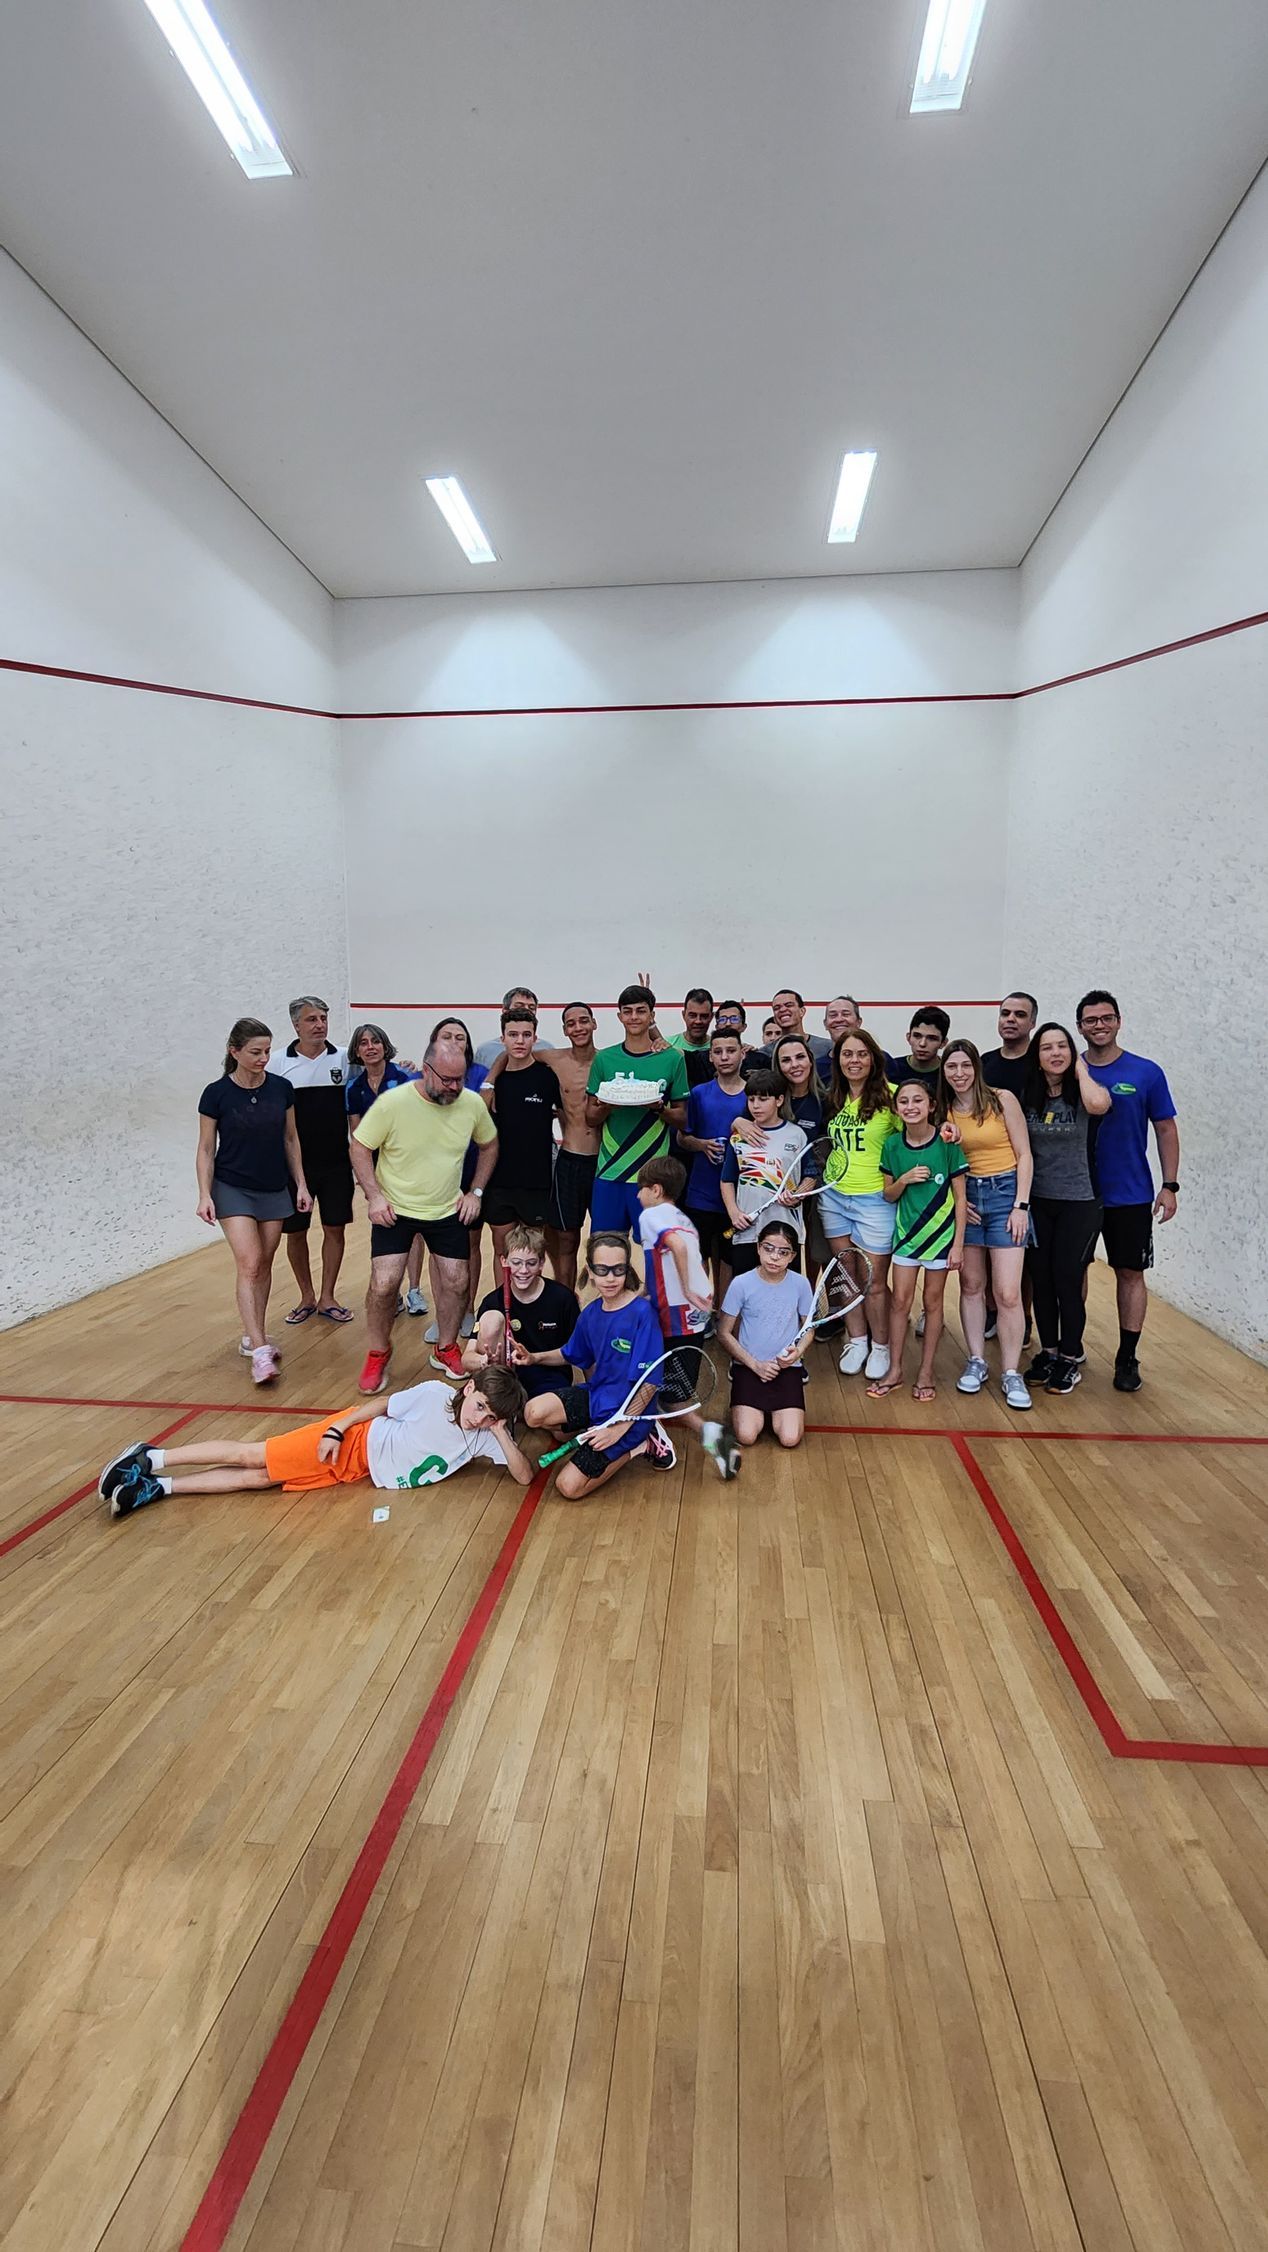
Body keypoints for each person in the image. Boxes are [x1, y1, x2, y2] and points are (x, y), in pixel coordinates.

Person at [99, 1365, 531, 1516]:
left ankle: (159, 1488)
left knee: (260, 1480)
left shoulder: (483, 1438)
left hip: (357, 1470)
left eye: (490, 1418)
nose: (480, 1421)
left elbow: (524, 1477)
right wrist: (334, 1429)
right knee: (253, 1458)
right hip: (351, 1441)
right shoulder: (435, 1395)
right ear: (470, 1387)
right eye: (481, 1409)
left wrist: (499, 1431)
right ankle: (151, 1457)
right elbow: (379, 1405)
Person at [350, 1029, 498, 1390]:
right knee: (384, 1284)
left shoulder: (472, 1104)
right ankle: (378, 1352)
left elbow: (490, 1145)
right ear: (426, 1070)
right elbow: (359, 1147)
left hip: (446, 1210)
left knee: (457, 1281)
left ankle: (446, 1347)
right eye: (446, 1079)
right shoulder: (393, 1103)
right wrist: (374, 1196)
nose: (453, 1087)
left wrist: (475, 1192)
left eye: (459, 1080)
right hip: (395, 1209)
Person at [1076, 991, 1180, 1393]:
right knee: (1073, 1273)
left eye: (1106, 1018)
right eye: (1090, 1020)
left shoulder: (1146, 1072)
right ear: (1080, 1026)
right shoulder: (1069, 1070)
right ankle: (1072, 1349)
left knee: (1130, 1273)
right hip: (1078, 1194)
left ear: (1119, 1021)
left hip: (1131, 1194)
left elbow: (1166, 1128)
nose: (1099, 1025)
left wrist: (1169, 1185)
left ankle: (1127, 1357)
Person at [197, 1018, 310, 1385]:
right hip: (232, 1187)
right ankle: (260, 1350)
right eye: (255, 1052)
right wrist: (204, 1194)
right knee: (248, 1263)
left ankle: (252, 1335)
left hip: (274, 1187)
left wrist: (302, 1186)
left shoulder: (282, 1088)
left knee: (263, 1263)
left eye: (266, 1051)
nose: (263, 1058)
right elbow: (205, 1148)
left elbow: (291, 1141)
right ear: (235, 1052)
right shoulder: (216, 1093)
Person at [522, 1234, 675, 1498]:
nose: (611, 1278)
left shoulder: (642, 1314)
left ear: (627, 1270)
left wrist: (619, 1428)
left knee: (568, 1487)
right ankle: (598, 1430)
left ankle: (640, 1445)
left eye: (618, 1269)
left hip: (632, 1414)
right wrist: (534, 1357)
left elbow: (650, 1382)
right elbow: (571, 1353)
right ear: (590, 1272)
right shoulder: (591, 1314)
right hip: (598, 1396)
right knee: (533, 1413)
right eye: (602, 1270)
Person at [939, 1040, 1034, 1410]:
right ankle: (976, 1360)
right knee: (972, 1285)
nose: (959, 1073)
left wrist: (1020, 1205)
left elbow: (1024, 1154)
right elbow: (943, 1163)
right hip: (968, 1199)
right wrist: (958, 1203)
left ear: (976, 1068)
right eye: (952, 1067)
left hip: (1007, 1193)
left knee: (1008, 1293)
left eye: (965, 1065)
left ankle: (1011, 1371)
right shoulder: (942, 1112)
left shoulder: (1001, 1099)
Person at [635, 1155, 740, 1478]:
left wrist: (683, 1288)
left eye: (640, 1189)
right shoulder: (683, 1218)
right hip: (691, 1319)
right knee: (662, 1390)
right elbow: (666, 1267)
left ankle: (710, 1434)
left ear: (655, 1190)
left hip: (673, 1320)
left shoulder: (652, 1215)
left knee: (663, 1395)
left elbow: (677, 1249)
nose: (637, 1196)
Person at [1021, 1024, 1111, 1395]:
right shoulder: (1029, 1095)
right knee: (1041, 1279)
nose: (1055, 1053)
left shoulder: (1084, 1094)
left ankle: (1071, 1357)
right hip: (1039, 1201)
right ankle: (1050, 1350)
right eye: (1047, 1048)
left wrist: (1081, 1070)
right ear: (1037, 1057)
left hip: (1081, 1201)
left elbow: (1099, 1105)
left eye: (1062, 1047)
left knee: (1067, 1279)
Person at [867, 1078, 968, 1402]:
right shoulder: (893, 1146)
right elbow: (888, 1194)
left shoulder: (948, 1143)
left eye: (918, 1101)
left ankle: (925, 1372)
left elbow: (961, 1198)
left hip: (941, 1240)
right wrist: (905, 1179)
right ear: (897, 1109)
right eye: (904, 1102)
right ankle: (895, 1369)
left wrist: (958, 1245)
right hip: (907, 1240)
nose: (910, 1107)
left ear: (932, 1106)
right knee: (899, 1303)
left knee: (933, 1303)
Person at [269, 996, 356, 1327]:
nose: (320, 1024)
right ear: (296, 1025)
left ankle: (328, 1296)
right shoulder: (278, 1062)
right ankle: (306, 1296)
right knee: (297, 1232)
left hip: (335, 1164)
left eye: (323, 1018)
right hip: (294, 1168)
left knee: (334, 1230)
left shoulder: (345, 1059)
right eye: (311, 1020)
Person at [819, 1030, 898, 1379]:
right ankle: (857, 1339)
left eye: (862, 1054)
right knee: (847, 1275)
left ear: (874, 1058)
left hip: (875, 1201)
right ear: (838, 1060)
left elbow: (919, 1136)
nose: (854, 1060)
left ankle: (881, 1346)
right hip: (833, 1197)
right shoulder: (833, 1098)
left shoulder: (893, 1098)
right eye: (847, 1054)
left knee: (874, 1281)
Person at [586, 984, 688, 1233]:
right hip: (610, 1173)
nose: (634, 1017)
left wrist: (659, 1108)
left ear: (652, 1016)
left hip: (654, 1177)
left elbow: (683, 1119)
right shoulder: (604, 1059)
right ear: (619, 1016)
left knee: (657, 1256)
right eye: (628, 1011)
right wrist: (608, 1105)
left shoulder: (672, 1058)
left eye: (641, 1011)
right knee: (605, 1250)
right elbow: (590, 1117)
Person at [346, 1024, 428, 1319]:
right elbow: (357, 1137)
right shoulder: (353, 1089)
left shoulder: (405, 1076)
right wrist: (365, 1177)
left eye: (376, 1041)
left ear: (385, 1046)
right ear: (357, 1051)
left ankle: (415, 1290)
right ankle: (389, 1292)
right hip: (378, 1172)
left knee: (414, 1228)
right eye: (364, 1043)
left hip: (409, 1167)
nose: (370, 1047)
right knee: (383, 1226)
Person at [718, 1220, 814, 1449]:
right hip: (749, 1367)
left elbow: (809, 1328)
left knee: (790, 1439)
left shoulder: (801, 1284)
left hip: (786, 1369)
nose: (774, 1257)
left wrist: (797, 1352)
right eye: (768, 1248)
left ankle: (777, 1413)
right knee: (746, 1436)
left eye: (783, 1252)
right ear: (758, 1248)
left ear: (792, 1256)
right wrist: (755, 1365)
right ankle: (752, 1409)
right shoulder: (741, 1284)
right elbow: (723, 1333)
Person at [478, 1008, 564, 1262]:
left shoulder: (548, 1077)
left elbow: (565, 1115)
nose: (519, 1041)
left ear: (535, 1039)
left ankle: (530, 1303)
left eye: (526, 1035)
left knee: (531, 1255)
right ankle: (504, 1304)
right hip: (499, 1182)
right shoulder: (493, 1083)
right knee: (502, 1253)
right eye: (513, 1034)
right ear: (502, 1038)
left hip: (536, 1182)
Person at [462, 1224, 579, 1399]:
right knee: (492, 1318)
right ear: (504, 1261)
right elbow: (466, 1358)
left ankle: (519, 1410)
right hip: (506, 1378)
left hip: (549, 1376)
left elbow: (579, 1352)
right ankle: (504, 1401)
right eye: (516, 1263)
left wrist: (534, 1358)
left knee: (536, 1415)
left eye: (531, 1263)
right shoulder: (492, 1301)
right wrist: (483, 1362)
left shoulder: (563, 1298)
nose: (523, 1271)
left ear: (541, 1263)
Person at [678, 1026, 750, 1288]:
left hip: (741, 1197)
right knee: (699, 1257)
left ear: (742, 1053)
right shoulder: (698, 1094)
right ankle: (702, 1314)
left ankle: (724, 1318)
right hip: (702, 1195)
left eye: (731, 1051)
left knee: (730, 1261)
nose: (724, 1057)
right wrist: (701, 1145)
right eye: (718, 1052)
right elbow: (682, 1138)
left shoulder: (753, 1095)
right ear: (710, 1057)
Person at [719, 1070, 809, 1278]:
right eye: (751, 1099)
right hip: (747, 1233)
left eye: (763, 1099)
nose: (756, 1105)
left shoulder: (797, 1135)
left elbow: (810, 1176)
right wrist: (734, 1213)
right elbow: (727, 1180)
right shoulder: (738, 1138)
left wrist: (797, 1196)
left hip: (785, 1232)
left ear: (779, 1100)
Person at [981, 992, 1039, 1098]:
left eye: (1020, 1015)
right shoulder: (985, 1061)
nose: (1010, 1019)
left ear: (1033, 1023)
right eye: (1005, 1013)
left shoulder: (1041, 1062)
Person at [474, 987, 548, 1070]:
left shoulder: (547, 1048)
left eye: (531, 1008)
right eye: (519, 1006)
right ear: (505, 1010)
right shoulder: (485, 1051)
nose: (527, 1010)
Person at [884, 1006, 949, 1088]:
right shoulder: (891, 1069)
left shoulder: (950, 1073)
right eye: (917, 1036)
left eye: (931, 1038)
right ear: (908, 1037)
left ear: (943, 1043)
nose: (922, 1044)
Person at [761, 989, 830, 1061]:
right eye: (777, 1008)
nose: (782, 1009)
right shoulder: (764, 1054)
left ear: (802, 1011)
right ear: (775, 1018)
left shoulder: (827, 1047)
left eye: (789, 1005)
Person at [667, 988, 716, 1088]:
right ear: (683, 1015)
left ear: (711, 1017)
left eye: (704, 1016)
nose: (698, 1021)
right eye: (692, 1015)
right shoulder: (668, 1043)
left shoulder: (720, 1049)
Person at [713, 1000, 766, 1079]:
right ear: (716, 1026)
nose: (728, 1024)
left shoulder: (760, 1060)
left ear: (744, 1027)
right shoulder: (704, 1059)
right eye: (722, 1019)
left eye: (734, 1019)